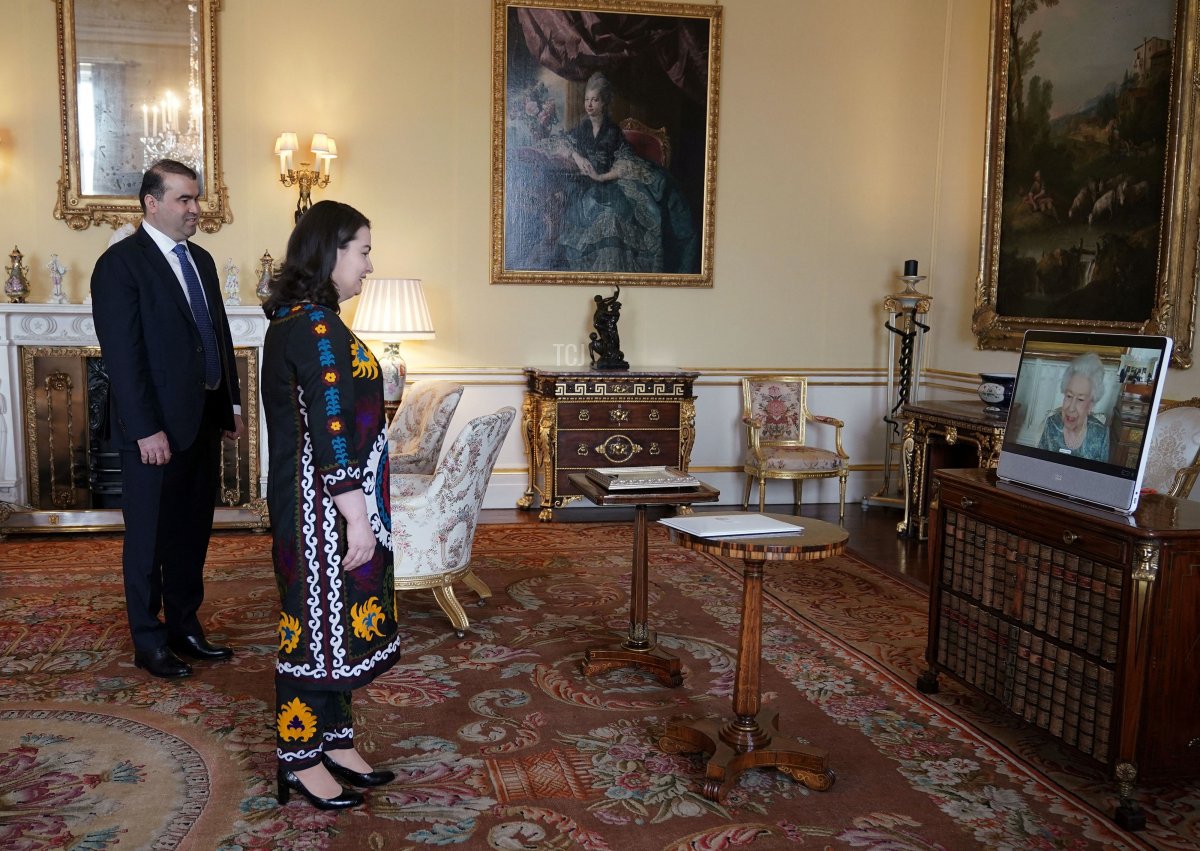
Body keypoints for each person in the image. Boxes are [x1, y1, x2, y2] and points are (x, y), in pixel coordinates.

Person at [260, 200, 401, 810]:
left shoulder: (310, 320)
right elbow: (331, 429)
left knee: (335, 624)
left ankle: (335, 742)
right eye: (362, 251)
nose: (368, 265)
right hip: (320, 508)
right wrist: (357, 518)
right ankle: (298, 757)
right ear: (331, 251)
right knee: (313, 630)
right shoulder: (314, 326)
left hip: (322, 501)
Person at [90, 159, 244, 680]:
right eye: (184, 199)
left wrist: (231, 404)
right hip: (152, 432)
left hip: (202, 422)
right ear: (152, 203)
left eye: (196, 198)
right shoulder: (120, 264)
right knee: (149, 540)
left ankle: (184, 627)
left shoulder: (201, 260)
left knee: (191, 534)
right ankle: (148, 640)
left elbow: (218, 336)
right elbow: (123, 357)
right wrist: (144, 429)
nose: (195, 208)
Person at [535, 72, 697, 273]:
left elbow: (625, 162)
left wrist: (601, 176)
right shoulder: (583, 127)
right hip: (584, 186)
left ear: (604, 103)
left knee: (612, 216)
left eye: (595, 100)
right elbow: (563, 143)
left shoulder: (613, 131)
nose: (589, 105)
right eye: (587, 99)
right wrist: (577, 157)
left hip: (610, 184)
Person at [1038, 352, 1111, 461]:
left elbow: (1102, 472)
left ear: (1090, 405)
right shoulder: (1051, 425)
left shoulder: (1100, 435)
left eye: (1080, 399)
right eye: (1069, 396)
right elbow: (1038, 464)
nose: (1071, 408)